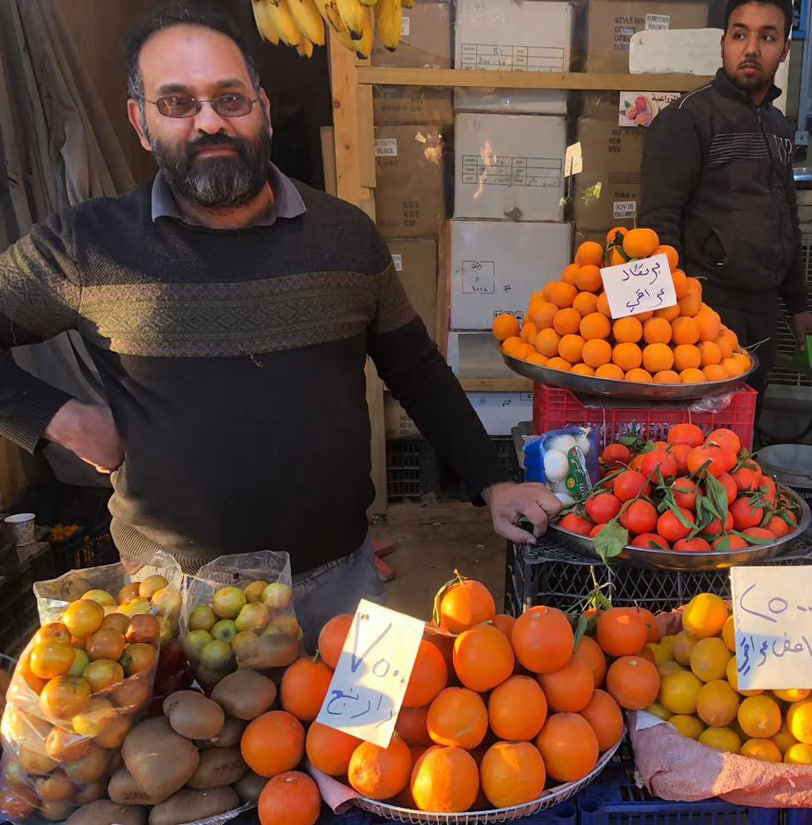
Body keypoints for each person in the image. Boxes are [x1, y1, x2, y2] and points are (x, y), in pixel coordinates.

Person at [0, 4, 560, 645]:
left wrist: (493, 481)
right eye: (177, 103)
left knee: (360, 716)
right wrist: (59, 419)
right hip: (175, 597)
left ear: (262, 109)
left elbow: (416, 369)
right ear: (141, 122)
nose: (209, 122)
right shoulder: (86, 247)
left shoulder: (346, 237)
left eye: (229, 98)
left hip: (339, 582)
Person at [637, 0, 812, 396]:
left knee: (746, 421)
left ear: (785, 50)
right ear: (724, 43)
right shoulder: (687, 118)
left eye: (767, 37)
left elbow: (786, 217)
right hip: (705, 310)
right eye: (740, 35)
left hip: (763, 308)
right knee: (701, 425)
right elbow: (657, 223)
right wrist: (670, 316)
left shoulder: (778, 127)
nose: (751, 49)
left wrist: (798, 305)